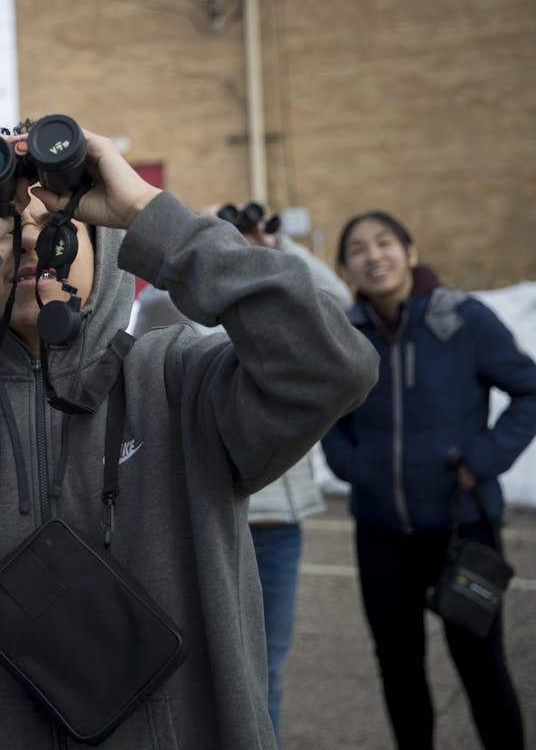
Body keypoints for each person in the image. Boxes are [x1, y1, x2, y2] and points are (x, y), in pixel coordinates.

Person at [0, 131, 380, 748]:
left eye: (55, 224)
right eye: (2, 227)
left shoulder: (179, 380)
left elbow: (332, 366)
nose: (26, 237)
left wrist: (147, 215)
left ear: (105, 256)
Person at [131, 200, 349, 743]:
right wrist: (189, 242)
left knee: (263, 668)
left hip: (276, 518)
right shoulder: (180, 299)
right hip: (206, 510)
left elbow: (340, 309)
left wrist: (275, 249)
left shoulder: (273, 291)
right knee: (198, 673)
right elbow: (144, 321)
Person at [322, 210, 534, 750]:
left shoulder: (463, 320)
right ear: (347, 268)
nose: (373, 256)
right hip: (380, 532)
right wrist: (353, 465)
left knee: (481, 668)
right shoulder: (347, 334)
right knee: (398, 668)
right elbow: (327, 409)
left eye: (385, 243)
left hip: (461, 531)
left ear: (411, 254)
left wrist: (484, 458)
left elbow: (529, 390)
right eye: (358, 250)